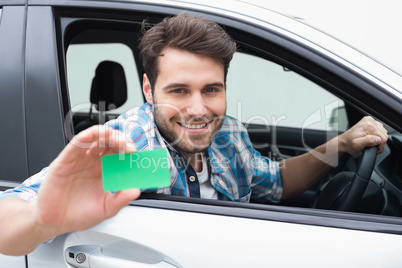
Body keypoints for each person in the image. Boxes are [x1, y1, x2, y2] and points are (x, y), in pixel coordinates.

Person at [0, 13, 388, 256]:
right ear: (149, 90)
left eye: (211, 89)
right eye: (179, 91)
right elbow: (9, 217)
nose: (199, 110)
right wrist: (42, 219)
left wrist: (341, 144)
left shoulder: (227, 138)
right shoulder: (138, 153)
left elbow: (278, 182)